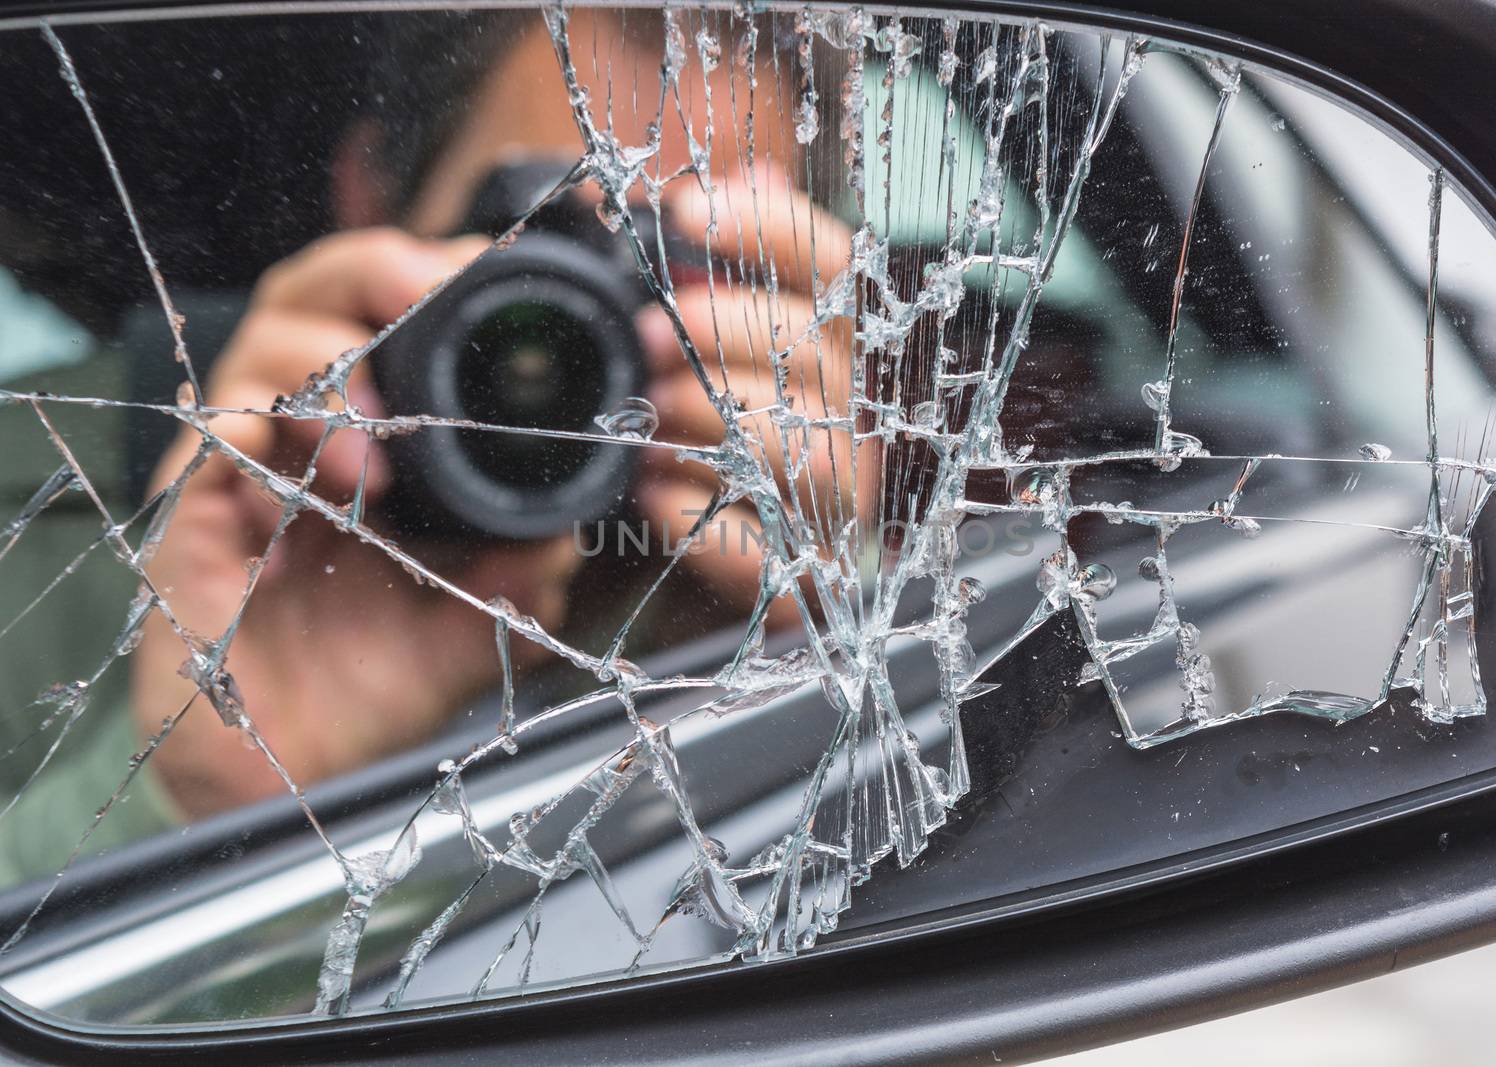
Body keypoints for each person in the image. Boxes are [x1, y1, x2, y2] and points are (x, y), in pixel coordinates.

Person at [0, 5, 859, 875]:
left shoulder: (818, 578)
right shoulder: (42, 545)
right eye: (531, 243)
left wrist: (831, 644)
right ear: (372, 198)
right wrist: (204, 796)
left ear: (793, 315)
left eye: (673, 268)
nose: (593, 338)